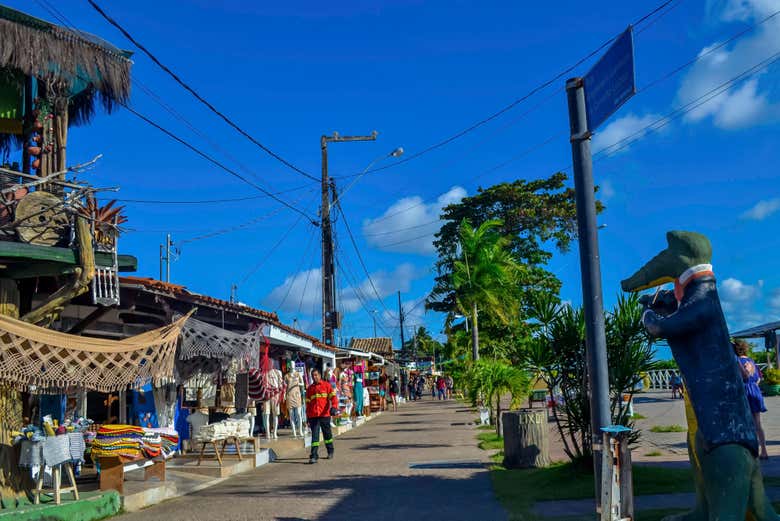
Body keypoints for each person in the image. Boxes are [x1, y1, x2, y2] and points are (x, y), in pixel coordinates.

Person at [733, 339, 769, 459]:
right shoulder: (751, 361)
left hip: (744, 392)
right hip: (754, 390)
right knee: (757, 423)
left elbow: (745, 375)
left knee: (744, 423)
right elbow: (758, 378)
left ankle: (750, 451)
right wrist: (753, 386)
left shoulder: (738, 361)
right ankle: (764, 451)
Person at [305, 369, 339, 464]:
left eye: (316, 375)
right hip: (313, 416)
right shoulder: (310, 389)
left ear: (319, 375)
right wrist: (307, 416)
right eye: (313, 375)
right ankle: (314, 455)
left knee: (327, 435)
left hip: (325, 415)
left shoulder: (327, 385)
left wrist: (334, 407)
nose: (314, 377)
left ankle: (330, 451)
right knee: (315, 437)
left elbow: (333, 398)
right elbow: (308, 403)